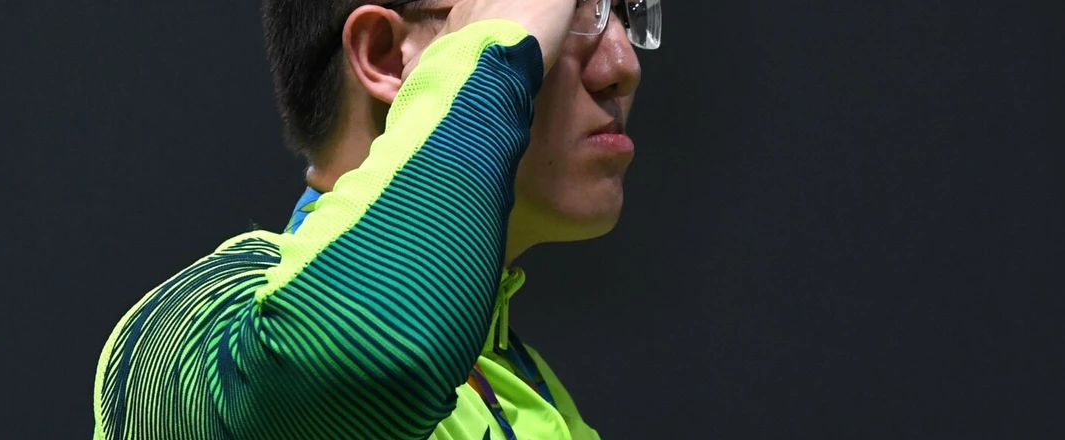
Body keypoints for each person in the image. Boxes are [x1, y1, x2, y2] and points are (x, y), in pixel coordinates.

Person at [93, 0, 658, 438]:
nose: (623, 65)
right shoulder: (185, 335)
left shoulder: (533, 390)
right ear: (388, 57)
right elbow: (381, 359)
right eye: (566, 14)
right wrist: (493, 56)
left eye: (621, 11)